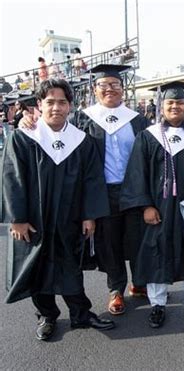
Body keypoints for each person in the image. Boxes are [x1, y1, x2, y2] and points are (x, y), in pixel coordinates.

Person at [19, 65, 150, 317]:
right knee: (109, 243)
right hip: (101, 191)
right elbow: (54, 128)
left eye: (115, 84)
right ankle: (116, 290)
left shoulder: (138, 119)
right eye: (104, 85)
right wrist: (30, 119)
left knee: (137, 237)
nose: (109, 89)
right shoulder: (83, 118)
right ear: (94, 89)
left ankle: (140, 282)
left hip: (134, 190)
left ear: (123, 88)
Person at [0, 79, 115, 341]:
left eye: (62, 102)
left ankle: (81, 313)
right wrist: (16, 219)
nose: (56, 107)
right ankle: (47, 315)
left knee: (69, 266)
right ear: (39, 105)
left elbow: (91, 180)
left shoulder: (81, 141)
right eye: (50, 102)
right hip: (34, 220)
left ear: (70, 106)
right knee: (38, 267)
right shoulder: (23, 138)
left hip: (69, 218)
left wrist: (89, 215)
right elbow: (11, 178)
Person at [120, 81, 184, 329]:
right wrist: (145, 206)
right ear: (162, 106)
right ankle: (157, 305)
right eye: (170, 102)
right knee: (156, 253)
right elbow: (136, 174)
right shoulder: (148, 137)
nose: (175, 106)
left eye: (180, 102)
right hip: (158, 210)